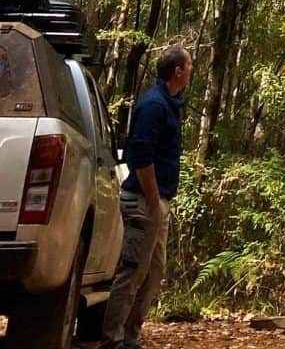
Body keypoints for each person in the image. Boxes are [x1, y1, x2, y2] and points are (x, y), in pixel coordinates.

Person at [100, 44, 192, 349]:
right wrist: (153, 201)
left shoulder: (170, 105)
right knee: (132, 270)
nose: (191, 70)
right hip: (143, 201)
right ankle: (112, 338)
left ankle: (130, 336)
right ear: (177, 70)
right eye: (189, 66)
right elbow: (140, 156)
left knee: (153, 272)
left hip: (158, 202)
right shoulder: (154, 105)